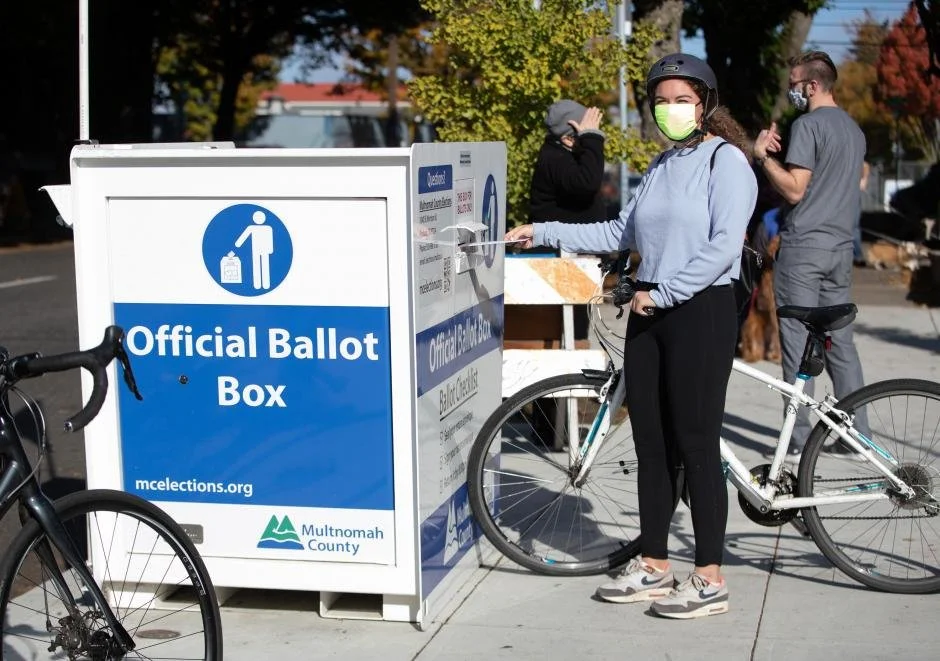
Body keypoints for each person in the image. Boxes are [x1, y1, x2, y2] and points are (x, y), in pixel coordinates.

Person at [506, 53, 757, 619]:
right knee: (651, 445)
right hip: (648, 311)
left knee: (695, 445)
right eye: (661, 100)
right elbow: (619, 230)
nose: (670, 109)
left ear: (706, 104)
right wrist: (542, 230)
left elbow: (722, 247)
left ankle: (710, 577)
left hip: (699, 310)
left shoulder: (728, 163)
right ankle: (654, 562)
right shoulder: (662, 165)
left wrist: (663, 292)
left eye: (682, 100)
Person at [753, 51, 868, 461]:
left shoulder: (808, 124)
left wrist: (763, 157)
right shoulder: (855, 132)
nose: (792, 90)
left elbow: (795, 189)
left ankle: (799, 441)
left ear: (813, 85)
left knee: (798, 347)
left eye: (795, 83)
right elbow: (852, 182)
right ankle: (857, 436)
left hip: (804, 248)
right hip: (840, 249)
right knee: (841, 344)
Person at [528, 100, 606, 224]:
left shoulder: (563, 153)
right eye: (584, 132)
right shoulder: (555, 159)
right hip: (558, 242)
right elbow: (587, 184)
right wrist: (592, 138)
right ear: (568, 139)